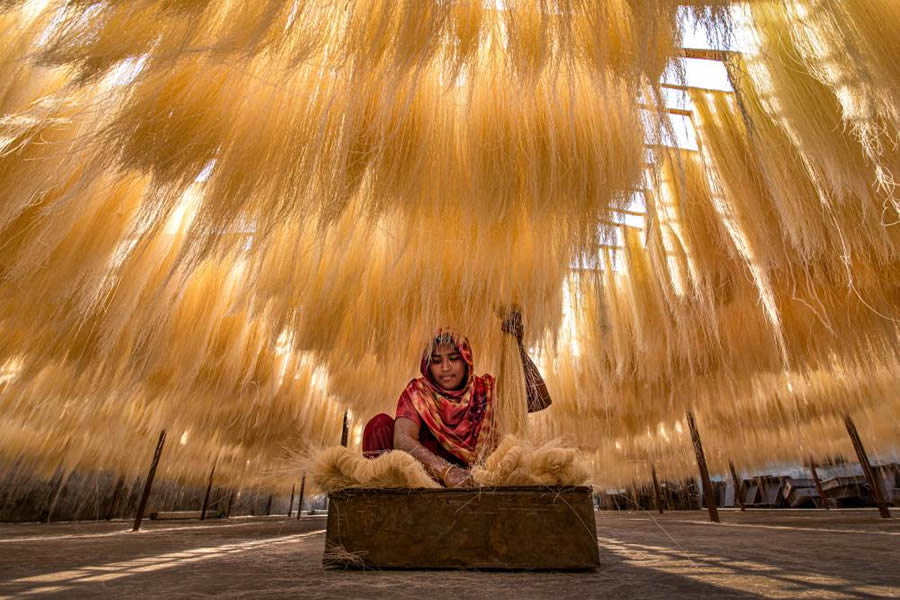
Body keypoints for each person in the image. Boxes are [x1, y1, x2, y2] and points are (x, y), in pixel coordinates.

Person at [362, 311, 552, 488]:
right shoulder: (418, 392)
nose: (445, 367)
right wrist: (446, 470)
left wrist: (516, 347)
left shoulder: (486, 389)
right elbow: (402, 438)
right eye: (436, 361)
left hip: (476, 480)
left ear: (466, 360)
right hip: (426, 481)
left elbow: (539, 401)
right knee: (379, 426)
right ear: (428, 365)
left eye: (453, 358)